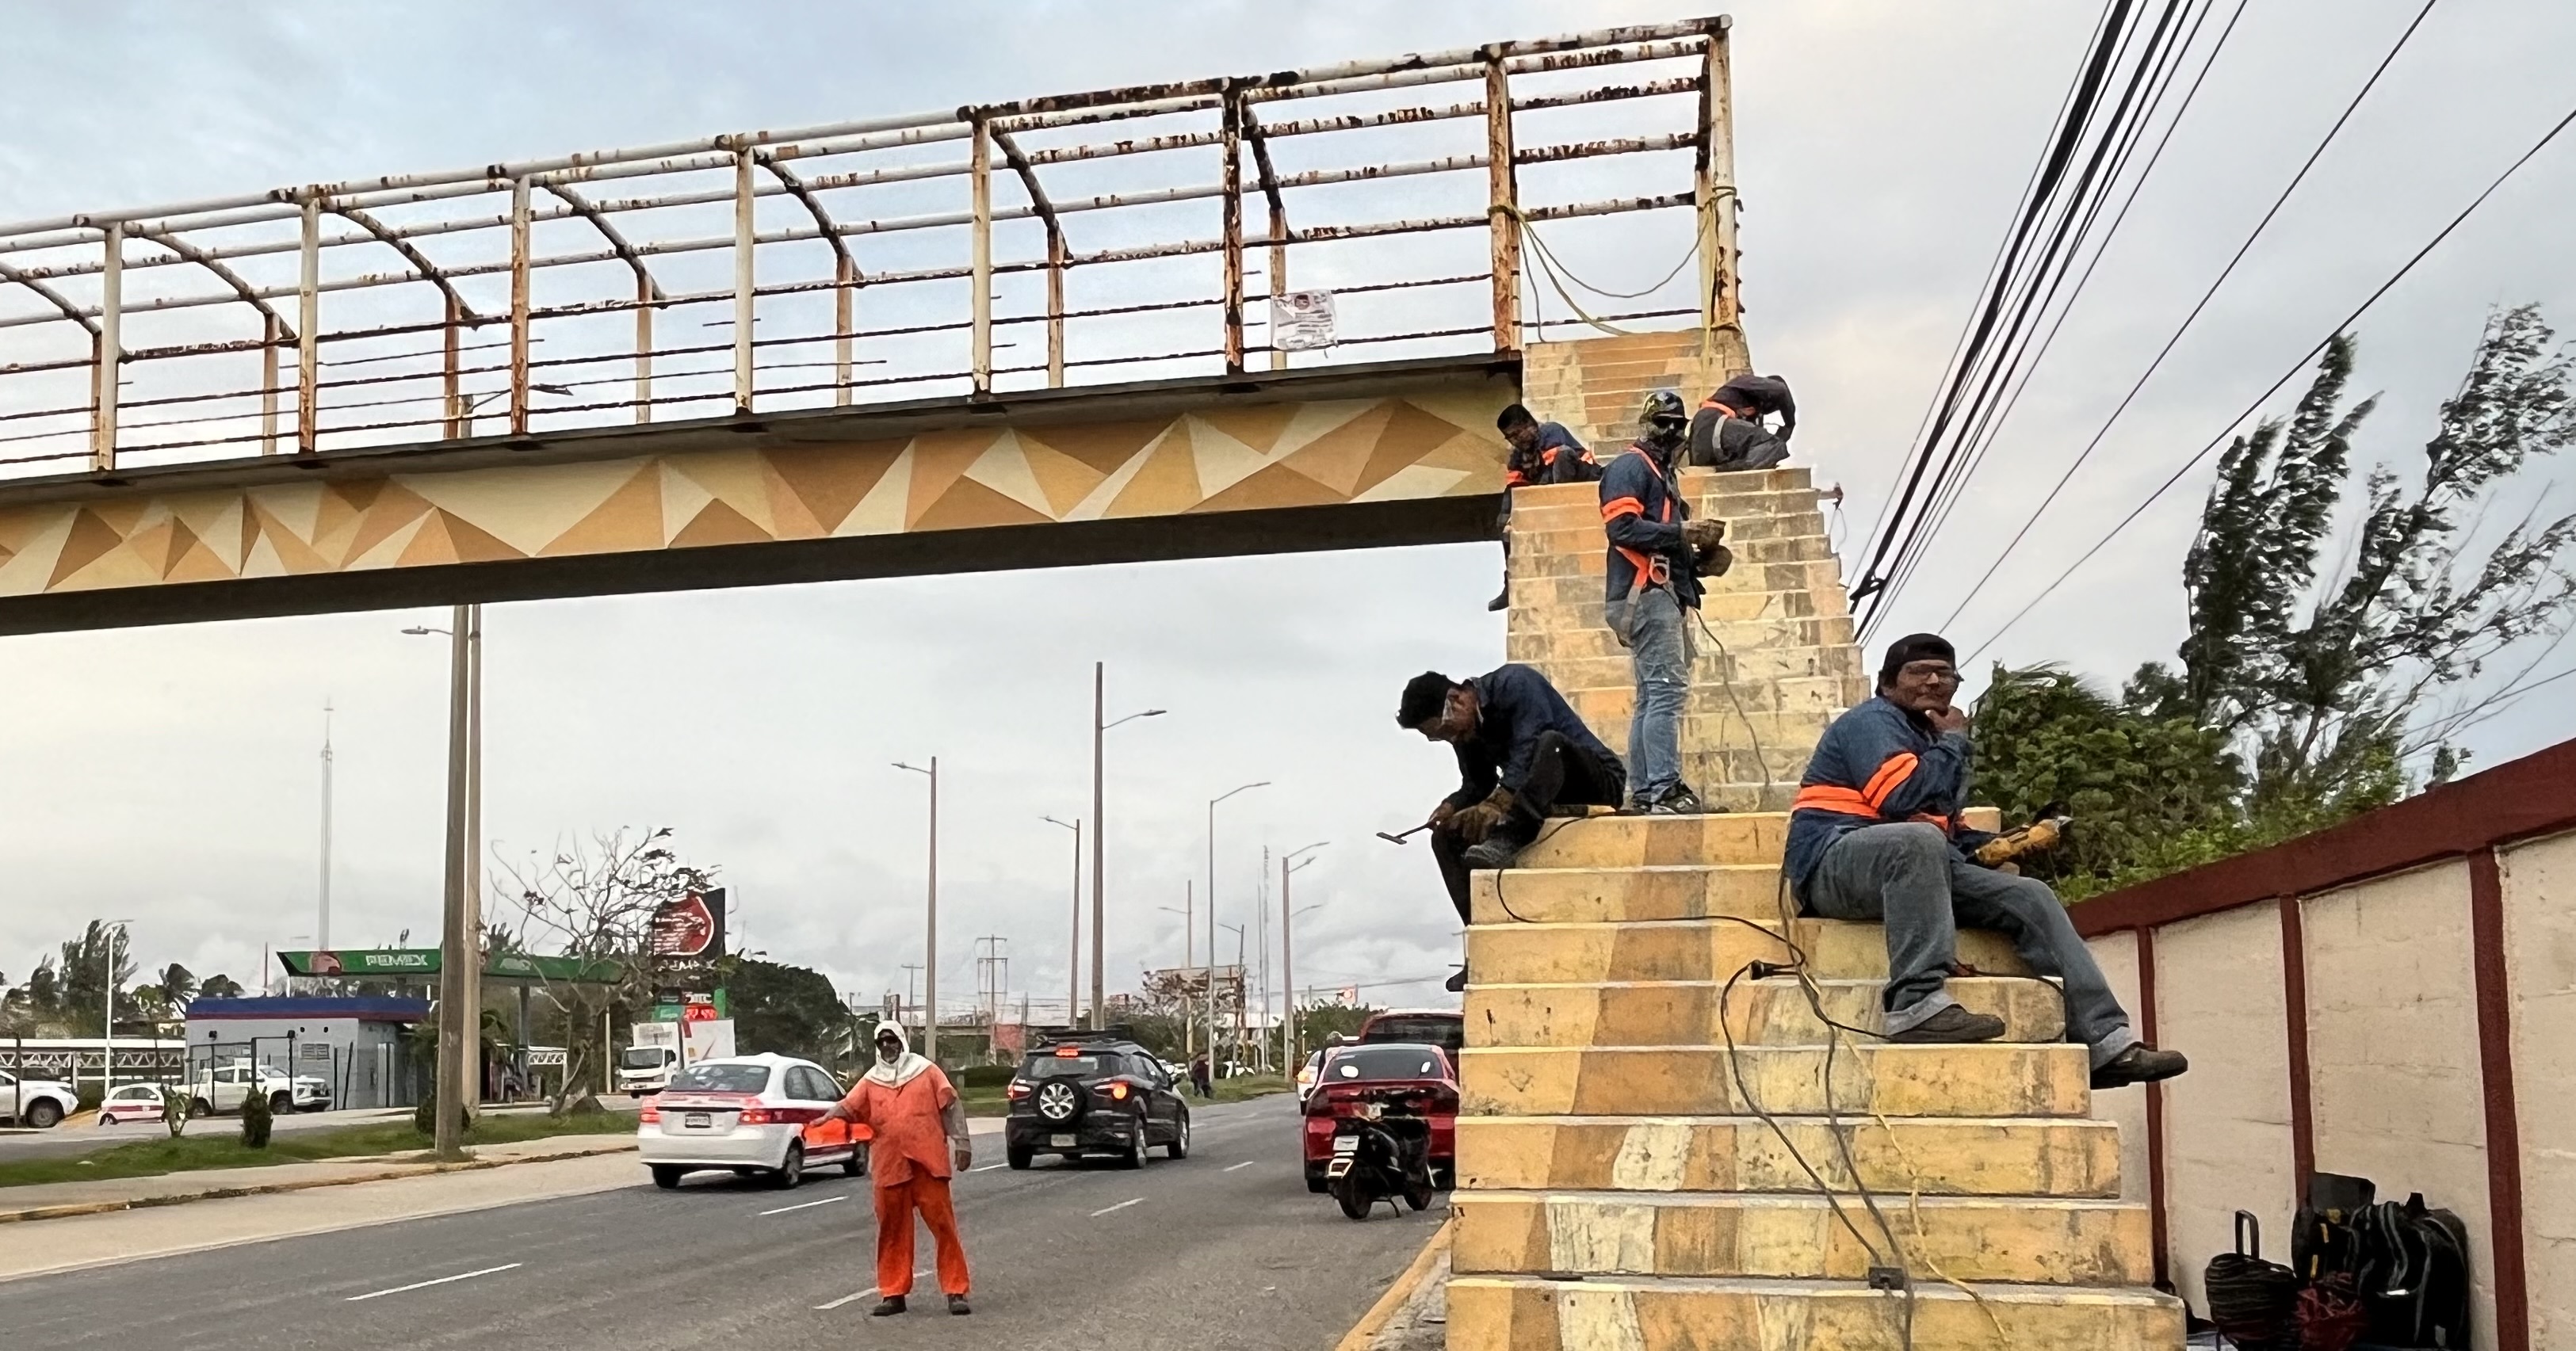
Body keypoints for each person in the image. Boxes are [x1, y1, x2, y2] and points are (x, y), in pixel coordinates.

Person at [1784, 633, 2189, 1090]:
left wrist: (2003, 844)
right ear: (1888, 683)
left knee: (2029, 895)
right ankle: (1915, 1005)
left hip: (1913, 866)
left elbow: (1945, 830)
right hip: (1833, 865)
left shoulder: (1928, 739)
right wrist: (1955, 741)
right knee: (1916, 841)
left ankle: (2105, 1043)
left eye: (1944, 674)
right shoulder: (1872, 722)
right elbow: (1902, 799)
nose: (1934, 681)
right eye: (1919, 672)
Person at [1398, 665, 1627, 990]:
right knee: (1446, 838)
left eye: (1446, 732)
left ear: (1457, 700)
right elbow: (1478, 784)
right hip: (1537, 792)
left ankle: (1512, 836)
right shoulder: (1467, 731)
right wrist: (1452, 806)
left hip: (1593, 779)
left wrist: (1499, 802)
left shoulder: (1516, 683)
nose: (1452, 739)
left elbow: (1531, 747)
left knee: (1551, 743)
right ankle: (1482, 946)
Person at [1600, 390, 1731, 815]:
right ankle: (1665, 790)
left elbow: (1660, 540)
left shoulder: (1662, 475)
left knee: (1651, 696)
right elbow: (1622, 528)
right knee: (1666, 692)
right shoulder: (1631, 466)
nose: (1672, 431)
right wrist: (1682, 533)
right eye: (1663, 422)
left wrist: (1698, 563)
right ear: (1646, 424)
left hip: (1656, 592)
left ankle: (1644, 794)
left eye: (1678, 424)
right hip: (1645, 592)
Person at [820, 1019, 973, 1316]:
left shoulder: (926, 1071)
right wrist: (823, 1120)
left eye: (892, 1040)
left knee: (943, 1226)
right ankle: (893, 1293)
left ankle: (956, 1291)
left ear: (902, 1042)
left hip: (928, 1163)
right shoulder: (871, 1080)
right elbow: (848, 1108)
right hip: (890, 1166)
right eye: (882, 1042)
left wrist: (963, 1144)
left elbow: (951, 1106)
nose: (888, 1046)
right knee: (892, 1231)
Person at [1489, 403, 1601, 612]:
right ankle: (1511, 580)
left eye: (1517, 433)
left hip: (1583, 480)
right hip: (1547, 492)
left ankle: (1559, 517)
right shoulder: (1517, 456)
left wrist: (1535, 503)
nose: (1515, 440)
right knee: (1506, 508)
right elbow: (1514, 489)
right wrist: (1510, 519)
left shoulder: (1551, 431)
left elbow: (1551, 474)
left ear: (1529, 425)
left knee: (1563, 456)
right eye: (1510, 437)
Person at [1686, 372, 1795, 471]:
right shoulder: (1748, 381)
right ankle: (1734, 470)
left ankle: (1724, 469)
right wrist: (1789, 425)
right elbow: (1781, 389)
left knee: (1762, 448)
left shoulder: (1744, 402)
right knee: (1776, 445)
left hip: (1702, 442)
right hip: (1713, 423)